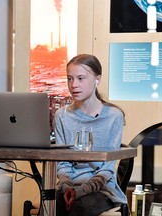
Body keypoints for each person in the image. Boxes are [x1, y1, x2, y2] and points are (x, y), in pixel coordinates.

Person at [53, 54, 127, 216]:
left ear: (97, 79)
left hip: (101, 189)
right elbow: (62, 164)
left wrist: (82, 190)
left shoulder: (114, 116)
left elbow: (108, 168)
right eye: (70, 79)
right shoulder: (62, 116)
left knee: (80, 207)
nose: (74, 85)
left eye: (81, 78)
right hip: (69, 186)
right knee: (54, 206)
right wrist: (68, 188)